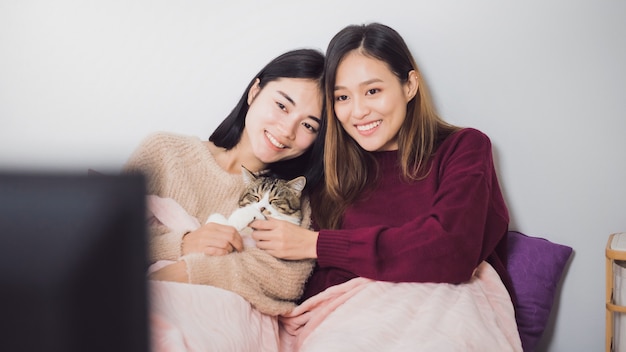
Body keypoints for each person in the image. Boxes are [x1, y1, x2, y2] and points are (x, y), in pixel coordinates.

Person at [250, 23, 514, 304]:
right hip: (343, 320)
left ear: (409, 86)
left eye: (373, 91)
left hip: (445, 313)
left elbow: (451, 250)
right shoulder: (331, 168)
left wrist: (317, 245)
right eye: (342, 97)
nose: (359, 111)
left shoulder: (463, 148)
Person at [123, 48, 326, 315]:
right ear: (255, 92)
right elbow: (105, 243)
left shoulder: (291, 198)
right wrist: (185, 243)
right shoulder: (164, 152)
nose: (287, 130)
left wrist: (183, 271)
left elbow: (286, 279)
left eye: (309, 126)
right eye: (282, 106)